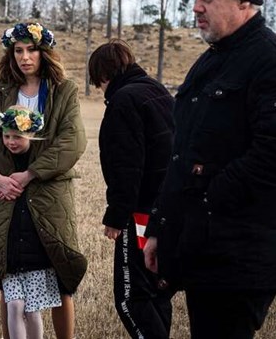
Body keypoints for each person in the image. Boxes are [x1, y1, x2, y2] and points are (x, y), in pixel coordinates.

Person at [143, 0, 276, 339]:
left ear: (244, 2)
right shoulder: (212, 60)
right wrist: (161, 228)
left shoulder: (273, 63)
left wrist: (208, 200)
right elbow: (183, 153)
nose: (196, 7)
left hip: (241, 256)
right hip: (204, 249)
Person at [0, 21, 87, 339]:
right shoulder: (1, 90)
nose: (24, 57)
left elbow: (72, 141)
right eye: (18, 51)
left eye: (31, 50)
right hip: (5, 196)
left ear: (44, 52)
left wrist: (30, 173)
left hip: (48, 196)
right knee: (9, 279)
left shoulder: (63, 91)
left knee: (60, 278)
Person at [88, 40, 174, 339]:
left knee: (131, 299)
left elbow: (126, 166)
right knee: (157, 292)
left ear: (103, 75)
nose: (101, 90)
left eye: (98, 82)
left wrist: (116, 217)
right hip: (168, 210)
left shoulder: (124, 101)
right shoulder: (157, 91)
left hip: (139, 214)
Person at [0, 105, 61, 339]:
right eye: (6, 136)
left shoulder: (39, 162)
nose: (11, 142)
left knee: (32, 310)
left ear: (31, 134)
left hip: (35, 250)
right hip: (10, 249)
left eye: (17, 137)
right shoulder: (0, 161)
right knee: (14, 305)